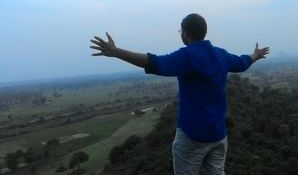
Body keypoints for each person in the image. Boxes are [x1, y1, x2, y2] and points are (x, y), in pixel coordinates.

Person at [90, 13, 269, 175]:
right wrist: (256, 55)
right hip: (218, 135)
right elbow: (242, 63)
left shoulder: (187, 56)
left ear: (185, 33)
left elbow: (154, 62)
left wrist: (116, 52)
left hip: (192, 136)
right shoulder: (221, 55)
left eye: (180, 31)